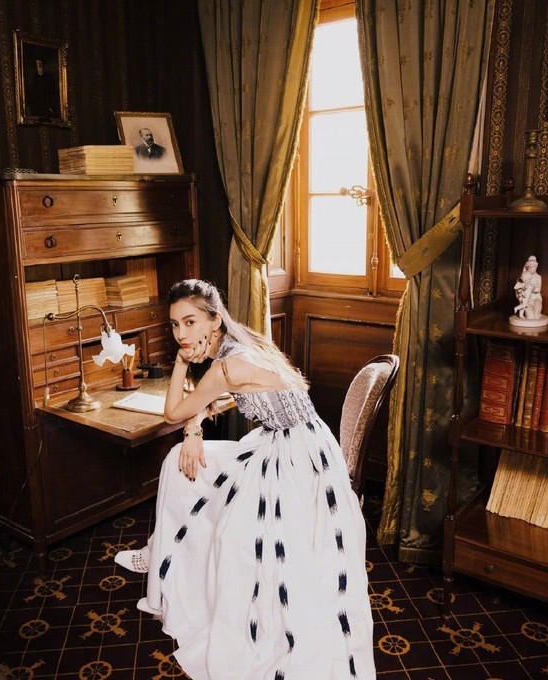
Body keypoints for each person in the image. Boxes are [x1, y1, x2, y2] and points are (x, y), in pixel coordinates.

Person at [114, 279, 376, 679]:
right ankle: (163, 550)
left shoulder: (225, 366)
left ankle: (173, 559)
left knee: (221, 517)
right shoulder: (243, 344)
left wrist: (181, 365)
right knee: (180, 463)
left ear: (214, 321)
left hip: (293, 461)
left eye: (190, 322)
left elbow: (172, 412)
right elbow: (225, 399)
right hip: (303, 444)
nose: (181, 334)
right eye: (175, 325)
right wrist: (194, 429)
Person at [513, 255, 543, 319]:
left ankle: (538, 313)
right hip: (527, 300)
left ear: (536, 267)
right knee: (531, 317)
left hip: (536, 298)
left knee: (537, 315)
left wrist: (532, 288)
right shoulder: (521, 278)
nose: (532, 269)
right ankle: (520, 312)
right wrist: (523, 289)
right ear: (527, 267)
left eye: (533, 267)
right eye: (530, 267)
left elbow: (539, 289)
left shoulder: (538, 277)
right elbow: (517, 290)